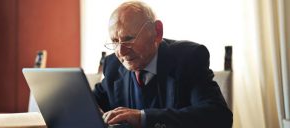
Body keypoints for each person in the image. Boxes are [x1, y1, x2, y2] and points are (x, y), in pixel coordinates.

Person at [93, 1, 233, 128]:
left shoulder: (188, 58)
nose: (121, 52)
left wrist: (143, 118)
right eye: (115, 41)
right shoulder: (113, 66)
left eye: (128, 39)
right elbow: (89, 103)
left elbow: (219, 117)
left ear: (157, 32)